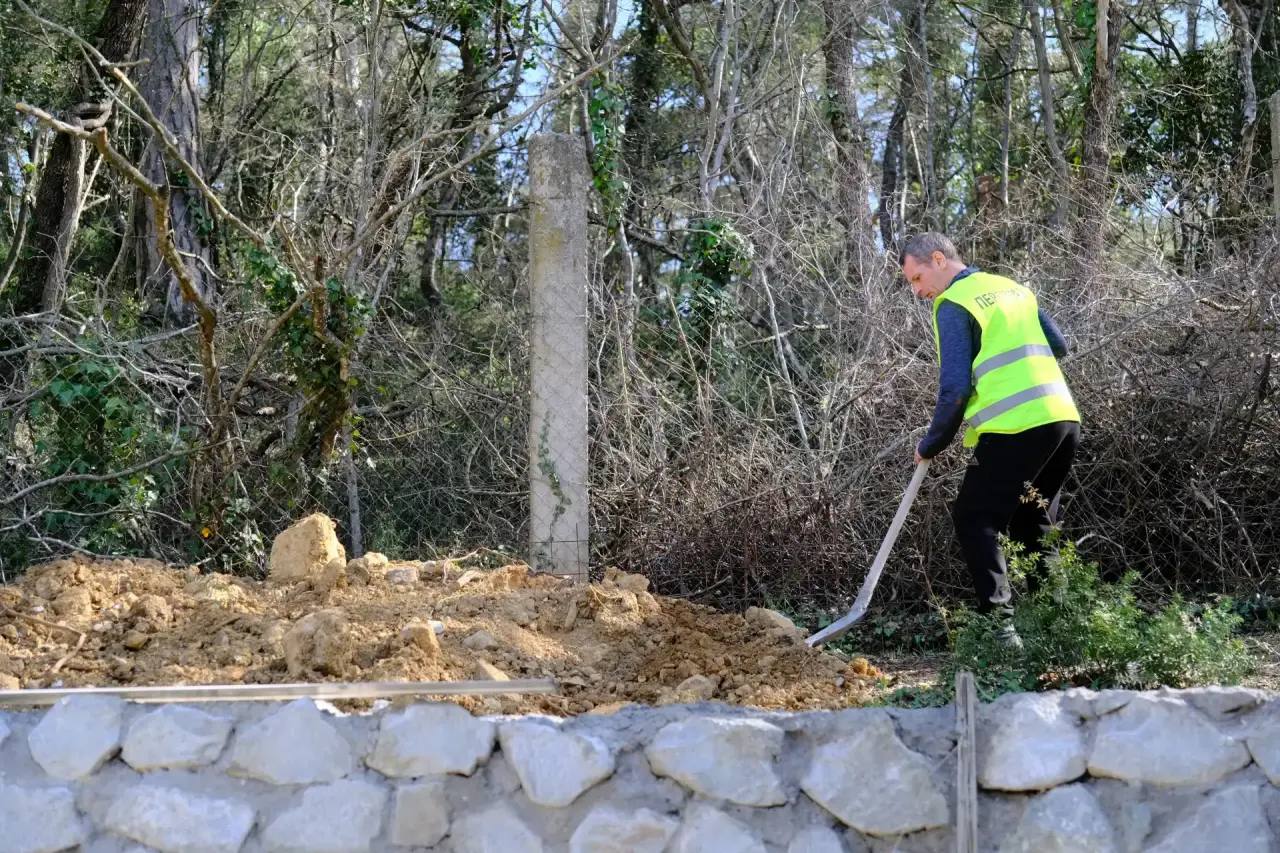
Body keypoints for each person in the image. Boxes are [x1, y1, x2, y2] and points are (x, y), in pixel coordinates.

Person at [900, 233, 1080, 641]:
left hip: (1016, 426)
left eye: (916, 278)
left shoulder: (953, 303)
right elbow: (1060, 345)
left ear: (939, 259)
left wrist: (932, 442)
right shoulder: (1011, 288)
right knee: (1032, 521)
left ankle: (1000, 633)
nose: (918, 291)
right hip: (1062, 420)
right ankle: (1062, 631)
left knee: (974, 517)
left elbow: (955, 389)